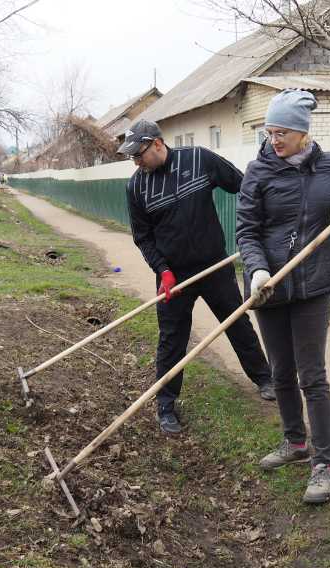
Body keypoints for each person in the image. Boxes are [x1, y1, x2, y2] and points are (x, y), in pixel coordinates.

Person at [236, 90, 330, 504]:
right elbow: (246, 231)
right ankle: (295, 442)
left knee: (312, 375)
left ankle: (324, 463)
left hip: (313, 285)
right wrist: (258, 269)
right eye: (269, 132)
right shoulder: (258, 171)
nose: (274, 140)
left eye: (282, 133)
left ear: (302, 133)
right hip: (269, 286)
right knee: (280, 372)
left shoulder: (329, 165)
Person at [119, 119, 275, 434]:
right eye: (132, 156)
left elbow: (242, 185)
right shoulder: (136, 187)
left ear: (157, 144)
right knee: (172, 338)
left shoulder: (198, 159)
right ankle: (166, 404)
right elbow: (143, 238)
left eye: (138, 154)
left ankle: (264, 378)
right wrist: (162, 270)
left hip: (214, 266)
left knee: (237, 323)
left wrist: (261, 223)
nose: (135, 162)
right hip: (174, 277)